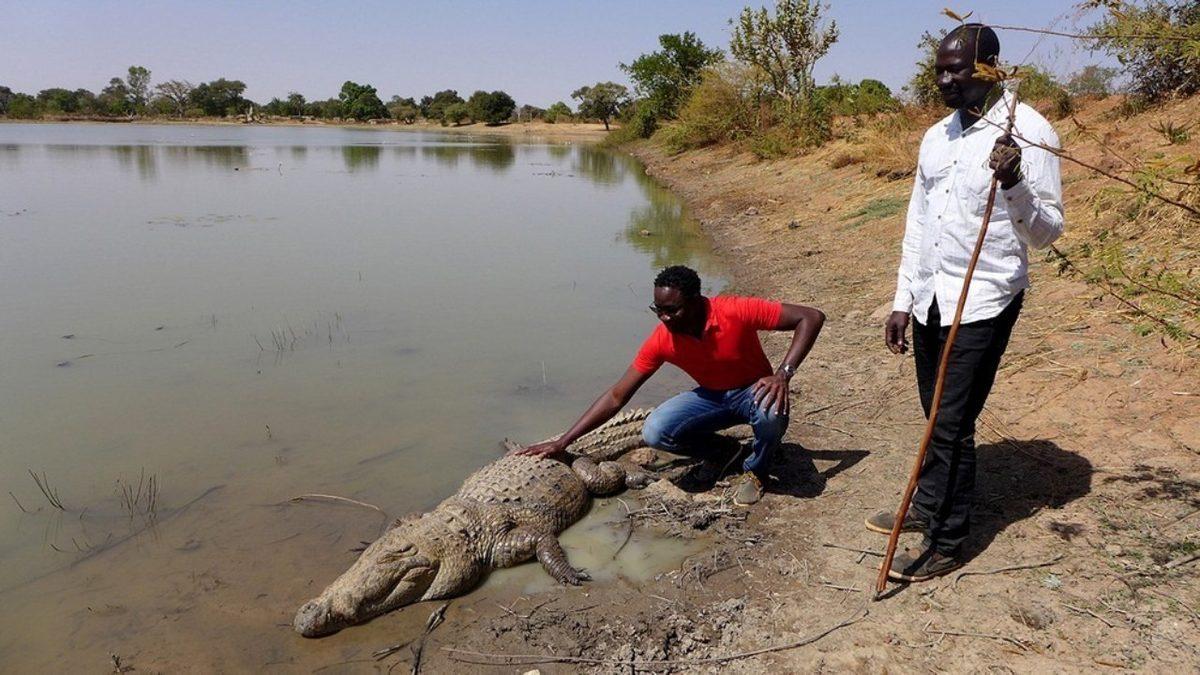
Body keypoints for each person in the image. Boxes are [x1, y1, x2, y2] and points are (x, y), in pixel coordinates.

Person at [869, 23, 1064, 581]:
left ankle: (946, 541)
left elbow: (1047, 232)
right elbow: (919, 223)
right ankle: (927, 506)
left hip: (984, 298)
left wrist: (1014, 183)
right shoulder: (937, 137)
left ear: (990, 67)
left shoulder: (1028, 131)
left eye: (956, 69)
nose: (945, 81)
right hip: (932, 297)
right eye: (939, 70)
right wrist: (903, 299)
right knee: (935, 416)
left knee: (952, 423)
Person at [515, 265, 825, 506]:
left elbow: (810, 317)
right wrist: (564, 441)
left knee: (770, 416)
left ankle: (756, 471)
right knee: (655, 430)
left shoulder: (733, 310)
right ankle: (724, 452)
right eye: (657, 309)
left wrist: (784, 374)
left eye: (672, 310)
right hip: (713, 398)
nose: (664, 317)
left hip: (755, 391)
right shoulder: (663, 340)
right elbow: (616, 395)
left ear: (695, 302)